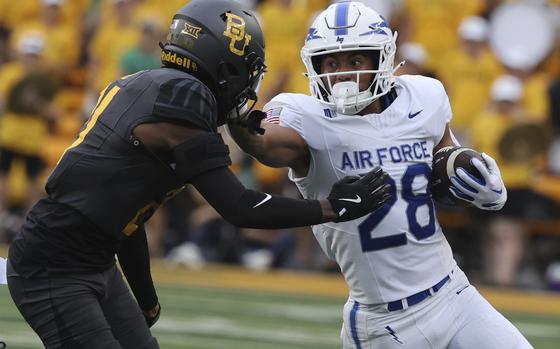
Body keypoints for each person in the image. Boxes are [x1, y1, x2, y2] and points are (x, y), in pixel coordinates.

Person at [5, 1, 392, 348]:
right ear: (224, 63)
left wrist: (145, 296)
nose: (247, 81)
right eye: (246, 68)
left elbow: (125, 216)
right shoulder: (184, 99)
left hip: (91, 258)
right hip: (54, 267)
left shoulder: (146, 85)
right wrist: (330, 207)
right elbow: (241, 207)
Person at [228, 2, 532, 348]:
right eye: (331, 62)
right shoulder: (307, 116)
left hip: (454, 292)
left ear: (381, 59)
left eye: (355, 61)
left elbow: (447, 158)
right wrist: (239, 117)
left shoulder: (423, 96)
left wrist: (480, 184)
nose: (341, 73)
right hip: (384, 322)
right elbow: (265, 142)